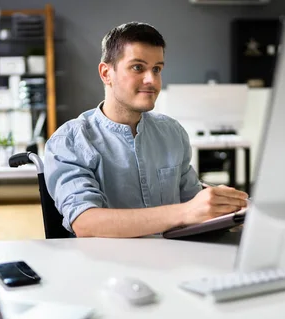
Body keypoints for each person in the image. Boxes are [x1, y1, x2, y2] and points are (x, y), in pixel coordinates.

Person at [44, 21, 249, 238]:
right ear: (106, 73)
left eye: (157, 69)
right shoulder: (70, 140)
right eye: (138, 67)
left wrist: (233, 210)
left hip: (175, 262)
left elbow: (193, 202)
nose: (151, 80)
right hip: (108, 267)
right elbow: (85, 223)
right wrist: (185, 212)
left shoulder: (172, 132)